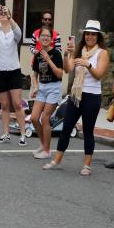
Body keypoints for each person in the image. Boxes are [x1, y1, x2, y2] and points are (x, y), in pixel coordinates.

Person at [42, 20, 108, 176]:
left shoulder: (102, 53)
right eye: (87, 34)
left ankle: (87, 165)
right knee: (66, 128)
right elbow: (67, 69)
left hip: (92, 96)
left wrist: (87, 65)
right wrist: (66, 54)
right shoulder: (79, 50)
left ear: (98, 36)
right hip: (76, 95)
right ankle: (56, 161)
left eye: (93, 34)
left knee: (87, 131)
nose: (89, 37)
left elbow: (99, 75)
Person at [0, 2, 28, 146]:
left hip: (14, 71)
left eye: (5, 13)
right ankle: (6, 133)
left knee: (17, 103)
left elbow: (19, 34)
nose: (3, 15)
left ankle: (23, 134)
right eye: (1, 14)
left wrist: (9, 17)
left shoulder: (13, 32)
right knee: (4, 104)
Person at [28, 27, 63, 159]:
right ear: (39, 38)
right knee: (34, 118)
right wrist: (35, 87)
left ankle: (47, 151)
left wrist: (48, 60)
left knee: (45, 118)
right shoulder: (37, 55)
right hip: (42, 88)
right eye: (43, 36)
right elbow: (34, 74)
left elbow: (60, 74)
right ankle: (43, 145)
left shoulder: (56, 53)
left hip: (54, 88)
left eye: (48, 36)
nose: (45, 38)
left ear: (52, 39)